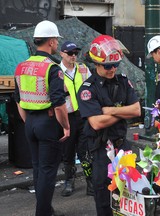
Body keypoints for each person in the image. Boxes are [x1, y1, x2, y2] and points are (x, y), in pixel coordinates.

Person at [77, 35, 141, 216]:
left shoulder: (123, 81)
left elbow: (136, 110)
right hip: (100, 149)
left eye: (115, 65)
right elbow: (96, 123)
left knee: (128, 193)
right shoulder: (88, 88)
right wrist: (122, 112)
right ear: (97, 64)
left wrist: (109, 110)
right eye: (107, 66)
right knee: (104, 196)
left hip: (122, 146)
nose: (112, 69)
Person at [14, 20, 70, 216]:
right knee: (48, 171)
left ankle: (46, 209)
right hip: (47, 123)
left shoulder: (21, 66)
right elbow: (59, 104)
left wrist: (29, 121)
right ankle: (43, 212)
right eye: (56, 40)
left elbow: (18, 101)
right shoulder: (52, 68)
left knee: (38, 169)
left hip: (29, 123)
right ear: (52, 42)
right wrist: (66, 126)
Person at [59, 41, 93, 197]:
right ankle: (69, 181)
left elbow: (92, 88)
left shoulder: (83, 69)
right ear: (62, 54)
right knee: (67, 152)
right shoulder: (56, 71)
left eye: (75, 53)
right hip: (66, 117)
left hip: (83, 116)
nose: (73, 56)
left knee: (85, 151)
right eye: (70, 53)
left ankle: (90, 182)